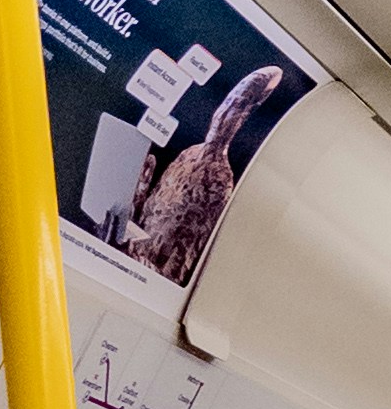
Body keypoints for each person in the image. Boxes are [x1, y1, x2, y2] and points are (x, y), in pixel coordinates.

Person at [123, 62, 290, 284]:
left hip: (148, 275)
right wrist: (136, 198)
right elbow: (149, 216)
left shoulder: (219, 179)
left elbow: (182, 258)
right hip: (131, 253)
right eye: (227, 106)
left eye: (235, 109)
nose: (224, 115)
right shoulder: (189, 156)